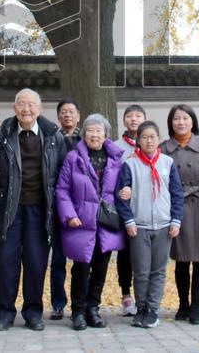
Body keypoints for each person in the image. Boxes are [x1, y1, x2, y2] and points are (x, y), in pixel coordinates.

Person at [0, 88, 68, 331]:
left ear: (39, 109)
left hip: (40, 209)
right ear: (14, 107)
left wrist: (61, 209)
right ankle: (6, 312)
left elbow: (63, 176)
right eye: (22, 104)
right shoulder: (1, 137)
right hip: (8, 208)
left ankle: (33, 312)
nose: (26, 109)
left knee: (36, 261)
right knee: (6, 261)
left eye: (31, 105)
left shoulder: (54, 137)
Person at [55, 114, 125, 331]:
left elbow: (121, 187)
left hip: (106, 220)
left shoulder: (115, 159)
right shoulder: (73, 158)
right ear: (83, 134)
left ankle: (93, 308)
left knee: (101, 266)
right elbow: (62, 189)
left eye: (99, 131)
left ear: (106, 134)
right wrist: (69, 214)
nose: (94, 135)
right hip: (81, 220)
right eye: (90, 130)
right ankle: (78, 310)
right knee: (81, 267)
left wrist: (126, 192)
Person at [115, 121, 183, 329]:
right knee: (141, 270)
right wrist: (129, 221)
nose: (148, 140)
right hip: (139, 225)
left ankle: (153, 309)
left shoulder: (167, 163)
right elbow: (121, 197)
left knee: (158, 270)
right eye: (144, 137)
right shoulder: (130, 164)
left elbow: (177, 194)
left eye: (152, 136)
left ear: (158, 138)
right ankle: (141, 307)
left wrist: (176, 220)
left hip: (163, 225)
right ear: (138, 141)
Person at [162, 104, 199, 324]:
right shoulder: (164, 148)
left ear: (193, 122)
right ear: (171, 122)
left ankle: (196, 306)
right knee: (182, 259)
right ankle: (183, 304)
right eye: (177, 119)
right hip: (177, 209)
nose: (181, 122)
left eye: (185, 118)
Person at [50, 97, 81, 319]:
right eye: (63, 112)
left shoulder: (86, 139)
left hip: (81, 205)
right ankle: (58, 303)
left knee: (81, 259)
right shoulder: (52, 139)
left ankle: (81, 304)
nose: (67, 115)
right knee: (58, 259)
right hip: (57, 205)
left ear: (78, 116)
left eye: (71, 112)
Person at [114, 104, 145, 316]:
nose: (134, 119)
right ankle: (126, 295)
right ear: (124, 120)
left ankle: (145, 296)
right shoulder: (116, 146)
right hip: (123, 206)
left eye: (138, 116)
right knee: (124, 253)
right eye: (129, 116)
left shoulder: (152, 143)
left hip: (146, 206)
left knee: (144, 254)